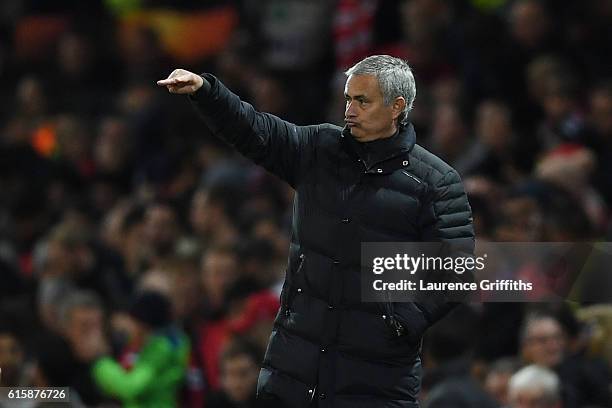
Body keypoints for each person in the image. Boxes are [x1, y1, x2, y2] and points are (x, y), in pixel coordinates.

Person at [158, 55, 474, 407]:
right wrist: (207, 92)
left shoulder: (435, 181)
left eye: (362, 100)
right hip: (294, 366)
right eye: (348, 98)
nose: (349, 109)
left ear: (397, 106)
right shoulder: (320, 149)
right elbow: (257, 129)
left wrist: (396, 322)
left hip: (376, 378)